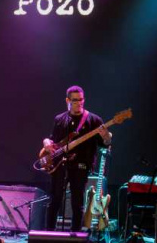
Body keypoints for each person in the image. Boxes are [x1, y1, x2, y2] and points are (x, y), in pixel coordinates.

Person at [42, 86, 111, 231]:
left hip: (81, 165)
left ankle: (75, 235)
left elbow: (104, 144)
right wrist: (46, 142)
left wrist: (107, 138)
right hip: (60, 164)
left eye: (81, 100)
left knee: (77, 202)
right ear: (67, 100)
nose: (79, 103)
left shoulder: (94, 120)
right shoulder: (60, 119)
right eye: (75, 100)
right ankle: (49, 233)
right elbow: (52, 140)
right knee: (55, 199)